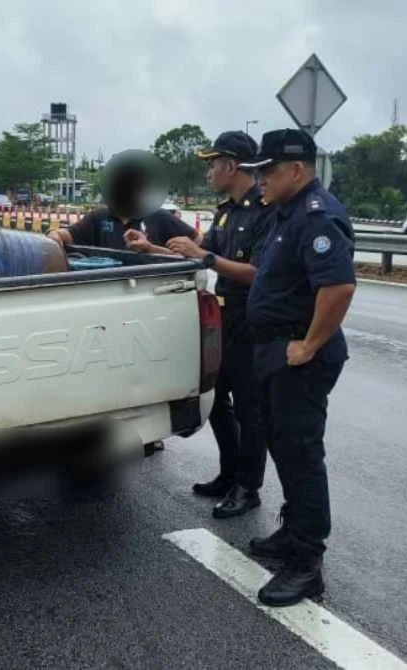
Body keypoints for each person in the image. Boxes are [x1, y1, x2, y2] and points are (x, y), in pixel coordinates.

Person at [238, 129, 356, 607]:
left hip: (298, 358)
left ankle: (307, 564)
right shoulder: (285, 213)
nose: (259, 178)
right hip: (272, 352)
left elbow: (339, 288)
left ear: (297, 170)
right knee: (283, 448)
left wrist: (308, 346)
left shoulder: (317, 216)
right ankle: (293, 531)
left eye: (267, 170)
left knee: (301, 454)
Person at [141, 131, 274, 520]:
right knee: (216, 400)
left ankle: (248, 487)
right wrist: (153, 249)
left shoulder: (264, 211)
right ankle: (230, 473)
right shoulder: (227, 210)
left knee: (250, 409)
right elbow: (204, 255)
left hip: (253, 318)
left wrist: (204, 256)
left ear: (232, 166)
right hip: (227, 313)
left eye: (213, 165)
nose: (209, 173)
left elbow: (257, 273)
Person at [47, 150, 200, 251]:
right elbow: (63, 235)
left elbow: (199, 245)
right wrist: (53, 235)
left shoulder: (160, 217)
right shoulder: (98, 219)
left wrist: (153, 249)